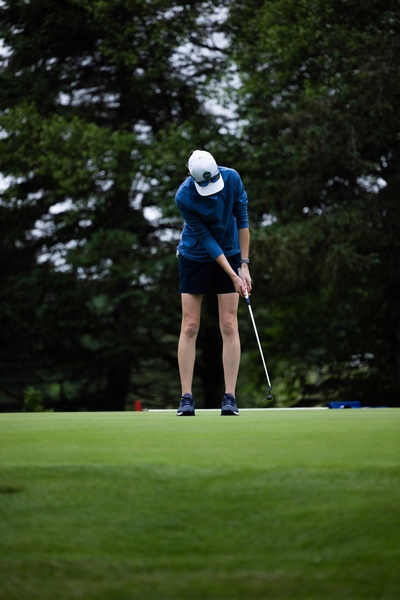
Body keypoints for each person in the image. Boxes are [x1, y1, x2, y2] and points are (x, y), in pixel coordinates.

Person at [175, 149, 252, 416]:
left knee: (229, 323)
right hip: (194, 255)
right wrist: (232, 274)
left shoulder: (232, 179)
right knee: (190, 325)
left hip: (231, 250)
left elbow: (242, 218)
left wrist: (244, 265)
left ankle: (230, 397)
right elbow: (206, 239)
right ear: (191, 176)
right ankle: (186, 398)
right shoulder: (184, 196)